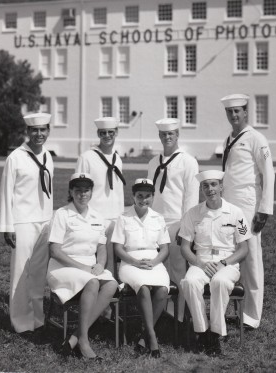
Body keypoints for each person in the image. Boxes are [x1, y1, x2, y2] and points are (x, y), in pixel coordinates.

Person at [179, 170, 253, 355]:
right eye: (205, 185)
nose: (209, 189)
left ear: (221, 187)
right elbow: (185, 248)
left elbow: (243, 249)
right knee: (190, 282)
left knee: (220, 282)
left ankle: (215, 334)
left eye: (213, 184)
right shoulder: (193, 213)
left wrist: (224, 263)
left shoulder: (236, 213)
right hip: (201, 261)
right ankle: (202, 331)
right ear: (201, 189)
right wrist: (201, 264)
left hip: (227, 262)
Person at [47, 172, 118, 360]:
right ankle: (84, 341)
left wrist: (101, 264)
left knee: (111, 284)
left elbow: (101, 247)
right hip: (62, 267)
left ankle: (73, 338)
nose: (82, 194)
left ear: (91, 192)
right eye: (78, 190)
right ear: (71, 191)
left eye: (86, 190)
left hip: (89, 268)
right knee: (93, 283)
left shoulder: (97, 216)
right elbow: (55, 251)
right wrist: (84, 268)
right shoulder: (62, 214)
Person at [220, 94, 275, 330]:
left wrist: (264, 210)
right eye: (230, 111)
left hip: (247, 205)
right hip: (228, 204)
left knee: (251, 257)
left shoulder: (256, 138)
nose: (234, 115)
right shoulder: (229, 139)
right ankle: (227, 308)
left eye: (238, 111)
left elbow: (269, 174)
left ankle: (252, 316)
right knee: (229, 255)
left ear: (245, 112)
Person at [0, 112, 53, 334]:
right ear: (28, 132)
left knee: (39, 273)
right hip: (22, 221)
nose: (39, 134)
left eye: (43, 129)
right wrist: (8, 226)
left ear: (48, 131)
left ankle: (37, 319)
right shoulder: (16, 157)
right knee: (22, 273)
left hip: (44, 221)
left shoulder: (48, 155)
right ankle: (21, 321)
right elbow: (6, 192)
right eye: (34, 130)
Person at [147, 118, 199, 321]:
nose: (167, 137)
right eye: (163, 134)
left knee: (178, 269)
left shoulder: (188, 161)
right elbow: (149, 194)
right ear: (159, 136)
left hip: (178, 221)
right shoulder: (153, 163)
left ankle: (181, 314)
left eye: (171, 134)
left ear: (177, 135)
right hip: (157, 222)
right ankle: (164, 312)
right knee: (161, 269)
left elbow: (191, 197)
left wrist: (186, 227)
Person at [111, 179, 170, 358]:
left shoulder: (158, 218)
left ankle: (144, 337)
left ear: (153, 197)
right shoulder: (123, 218)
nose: (143, 200)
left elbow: (165, 248)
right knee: (143, 287)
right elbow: (118, 248)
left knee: (162, 290)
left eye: (147, 196)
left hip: (154, 260)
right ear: (133, 196)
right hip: (130, 262)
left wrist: (155, 261)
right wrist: (135, 262)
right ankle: (152, 337)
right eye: (139, 196)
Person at [75, 117, 125, 277]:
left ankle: (116, 287)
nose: (107, 136)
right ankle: (104, 288)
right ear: (98, 134)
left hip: (115, 215)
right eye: (103, 133)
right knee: (99, 257)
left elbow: (118, 191)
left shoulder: (118, 159)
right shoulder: (87, 157)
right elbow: (78, 188)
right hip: (95, 215)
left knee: (116, 256)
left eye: (111, 132)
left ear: (116, 133)